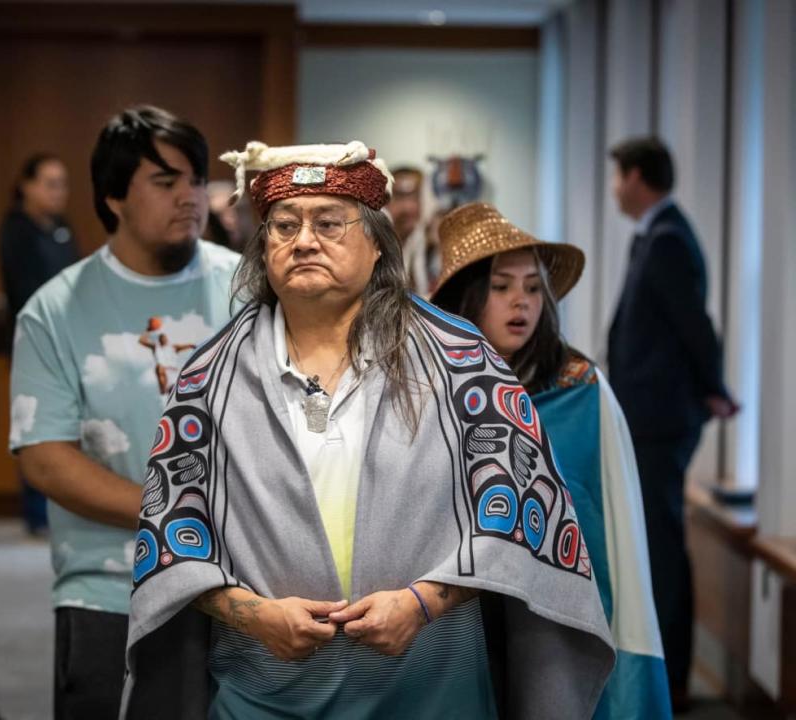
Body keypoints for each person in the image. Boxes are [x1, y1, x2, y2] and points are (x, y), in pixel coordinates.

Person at [122, 141, 614, 719]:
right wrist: (253, 615)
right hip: (262, 689)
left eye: (329, 223)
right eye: (283, 226)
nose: (304, 241)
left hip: (432, 689)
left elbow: (521, 512)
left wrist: (425, 603)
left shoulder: (462, 363)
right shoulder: (206, 379)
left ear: (378, 245)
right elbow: (171, 530)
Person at [9, 105, 240, 720]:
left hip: (243, 578)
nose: (190, 196)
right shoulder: (54, 310)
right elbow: (47, 460)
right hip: (108, 583)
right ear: (113, 197)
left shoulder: (246, 286)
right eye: (166, 182)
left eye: (195, 179)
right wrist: (173, 515)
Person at [431, 201, 671, 719]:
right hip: (455, 613)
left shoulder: (582, 390)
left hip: (557, 619)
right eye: (501, 287)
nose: (521, 302)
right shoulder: (430, 389)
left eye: (533, 287)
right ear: (467, 298)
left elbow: (612, 528)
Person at [607, 137, 738, 711]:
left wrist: (716, 389)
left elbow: (694, 325)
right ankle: (666, 667)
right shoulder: (659, 234)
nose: (614, 188)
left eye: (617, 176)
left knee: (661, 546)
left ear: (638, 177)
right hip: (652, 415)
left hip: (661, 420)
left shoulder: (668, 240)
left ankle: (672, 676)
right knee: (656, 542)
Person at [0, 153, 80, 535]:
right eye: (49, 183)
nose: (57, 192)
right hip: (33, 340)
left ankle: (60, 510)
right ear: (26, 186)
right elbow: (24, 292)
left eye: (62, 183)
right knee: (36, 425)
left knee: (68, 427)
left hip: (69, 340)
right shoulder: (15, 229)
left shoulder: (62, 227)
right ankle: (36, 515)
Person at [385, 166, 428, 294]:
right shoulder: (377, 232)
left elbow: (421, 285)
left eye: (414, 197)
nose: (408, 207)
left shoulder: (416, 233)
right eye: (399, 197)